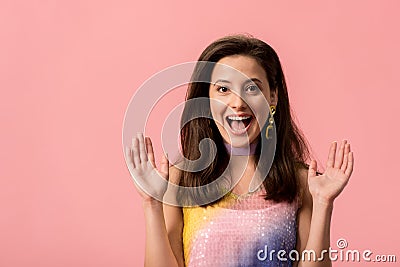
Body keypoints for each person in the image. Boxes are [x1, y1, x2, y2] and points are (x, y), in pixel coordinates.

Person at [125, 34, 354, 267]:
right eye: (223, 89)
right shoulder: (181, 179)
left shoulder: (302, 182)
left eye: (252, 88)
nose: (238, 103)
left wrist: (324, 203)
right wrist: (151, 204)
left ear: (273, 96)